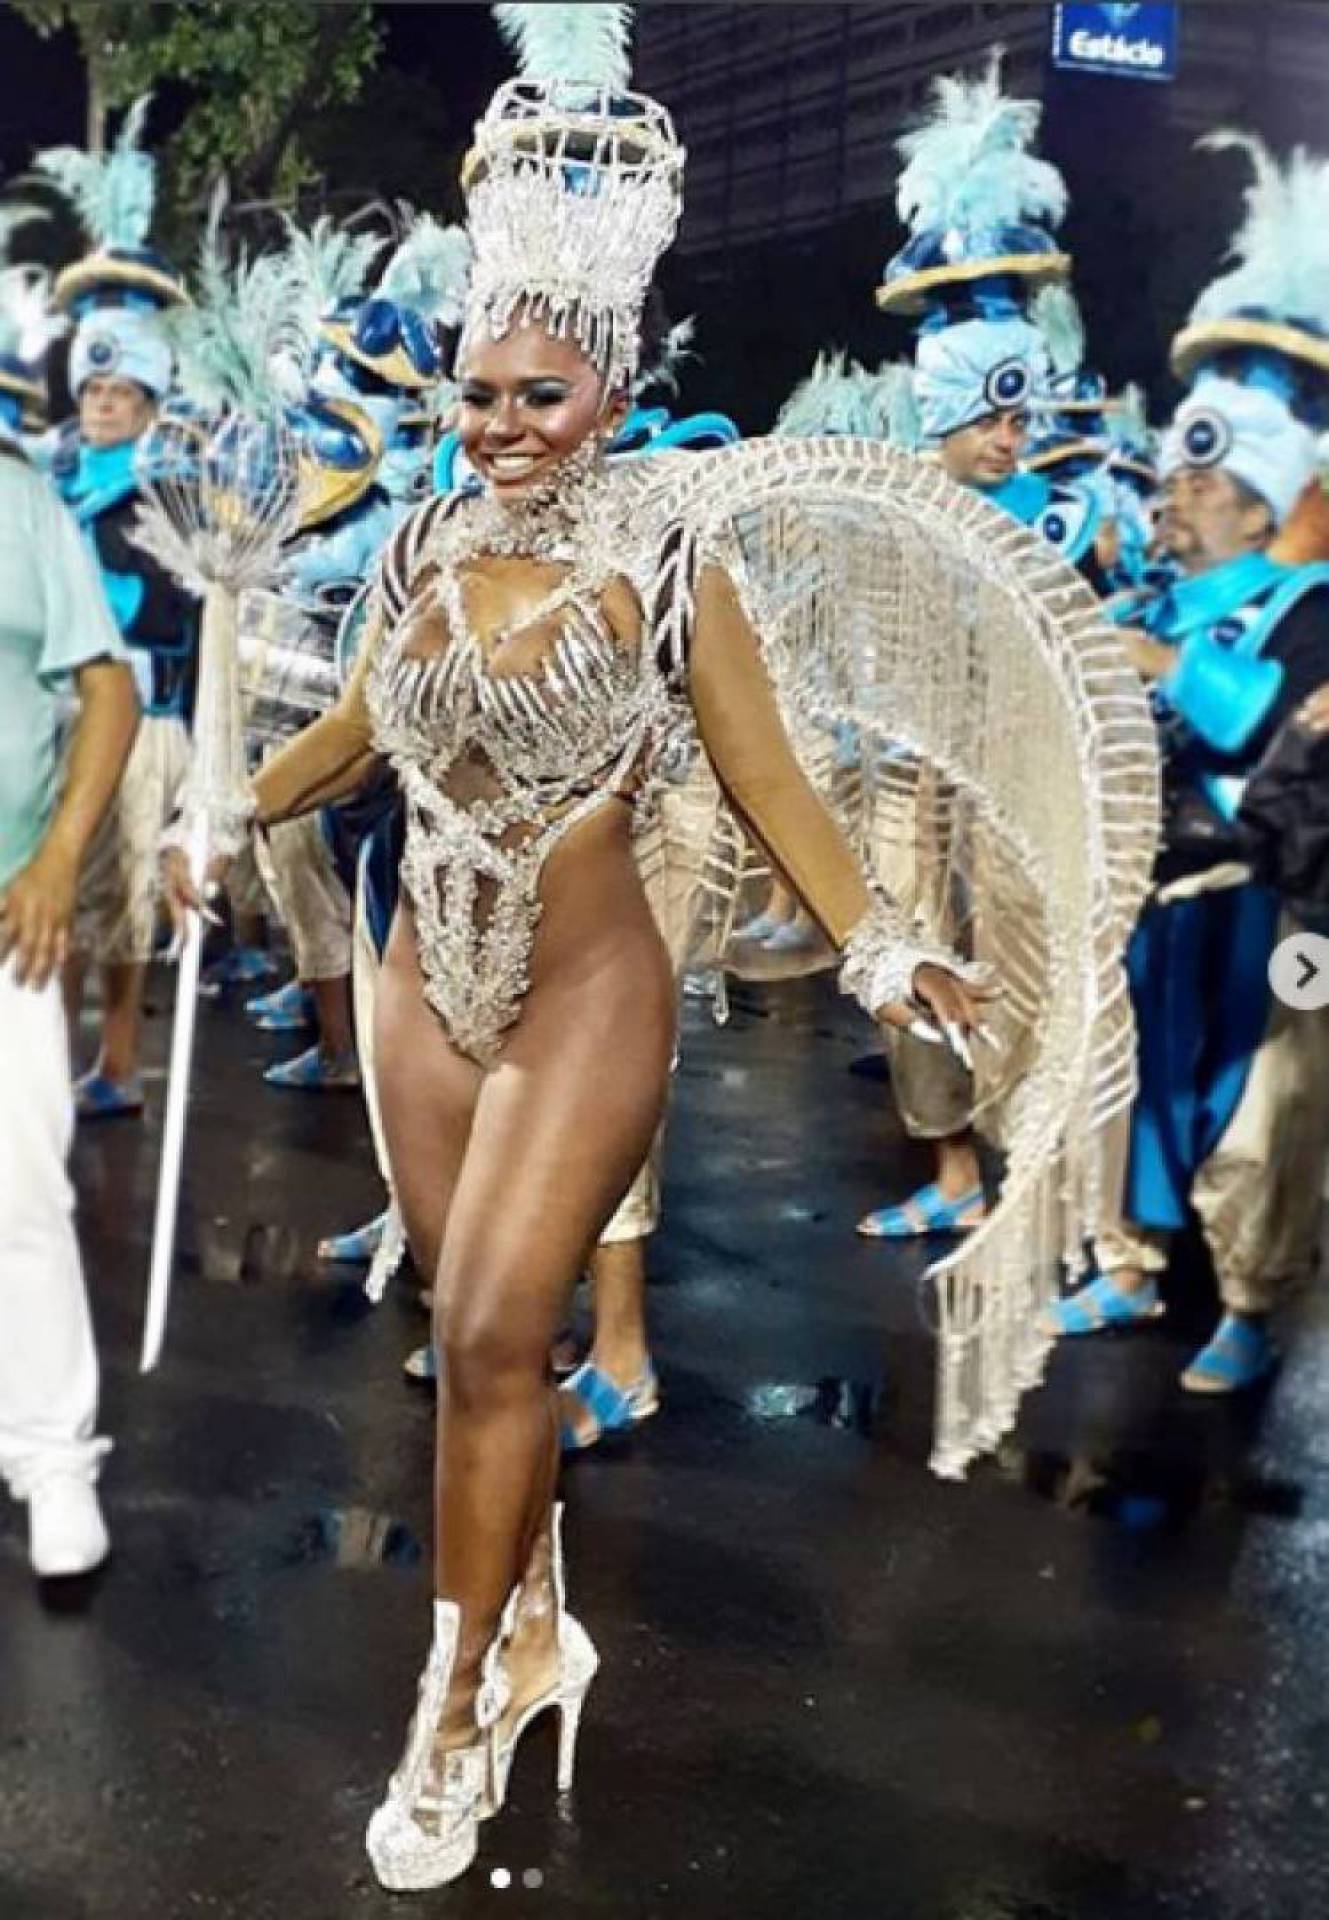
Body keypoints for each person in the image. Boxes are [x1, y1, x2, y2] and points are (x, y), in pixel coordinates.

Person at [165, 4, 994, 1890]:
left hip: (586, 980)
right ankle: (535, 1620)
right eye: (476, 395)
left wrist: (880, 950)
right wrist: (225, 809)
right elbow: (354, 731)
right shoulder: (419, 544)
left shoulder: (670, 556)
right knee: (478, 1347)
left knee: (485, 1330)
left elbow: (771, 781)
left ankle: (452, 1704)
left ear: (607, 390)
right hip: (422, 974)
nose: (501, 428)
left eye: (537, 397)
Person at [1047, 133, 1329, 1392]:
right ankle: (1135, 1260)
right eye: (1176, 474)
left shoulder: (1309, 602)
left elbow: (1270, 724)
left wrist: (1163, 667)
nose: (1174, 494)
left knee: (1268, 1107)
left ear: (1261, 495)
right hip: (1158, 889)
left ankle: (1254, 1305)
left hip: (1279, 903)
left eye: (1202, 479)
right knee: (1145, 1091)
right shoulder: (1152, 598)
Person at [860, 50, 1097, 1244]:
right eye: (990, 414)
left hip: (1019, 782)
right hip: (910, 775)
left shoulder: (1068, 519)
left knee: (1027, 966)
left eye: (1020, 413)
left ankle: (1035, 1181)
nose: (1010, 436)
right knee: (906, 956)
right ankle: (951, 1168)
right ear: (943, 406)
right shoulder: (894, 505)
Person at [0, 350, 138, 1577]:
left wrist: (54, 860)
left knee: (21, 1189)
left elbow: (107, 691)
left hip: (7, 906)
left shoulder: (22, 502)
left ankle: (51, 1454)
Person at [34, 97, 197, 1116]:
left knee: (122, 898)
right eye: (92, 389)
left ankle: (120, 1063)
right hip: (50, 711)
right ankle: (46, 1060)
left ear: (145, 397)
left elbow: (185, 613)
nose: (100, 401)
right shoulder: (46, 473)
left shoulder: (170, 485)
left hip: (140, 714)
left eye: (118, 392)